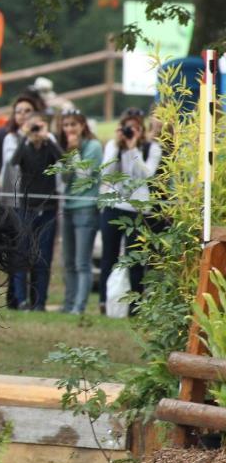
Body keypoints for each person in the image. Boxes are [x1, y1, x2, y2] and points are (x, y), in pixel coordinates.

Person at [98, 107, 161, 314]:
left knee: (135, 258)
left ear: (142, 129)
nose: (131, 131)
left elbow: (147, 175)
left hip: (138, 209)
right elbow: (106, 173)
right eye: (128, 127)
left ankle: (135, 305)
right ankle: (104, 302)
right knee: (109, 256)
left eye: (135, 127)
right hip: (114, 205)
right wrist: (117, 147)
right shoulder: (113, 146)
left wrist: (133, 149)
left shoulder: (151, 148)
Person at [8, 112, 62, 311]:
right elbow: (14, 162)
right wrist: (25, 137)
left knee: (43, 257)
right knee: (22, 254)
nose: (36, 131)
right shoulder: (25, 147)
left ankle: (40, 302)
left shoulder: (49, 148)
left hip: (47, 209)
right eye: (34, 127)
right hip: (26, 208)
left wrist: (49, 138)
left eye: (39, 126)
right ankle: (22, 300)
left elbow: (63, 159)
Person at [58, 108, 103, 315]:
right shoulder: (67, 147)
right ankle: (68, 305)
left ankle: (79, 306)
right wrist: (69, 153)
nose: (69, 129)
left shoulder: (93, 146)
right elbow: (65, 178)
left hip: (86, 208)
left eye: (73, 124)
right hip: (68, 207)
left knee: (81, 262)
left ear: (82, 126)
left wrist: (74, 152)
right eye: (66, 125)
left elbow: (84, 177)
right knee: (68, 262)